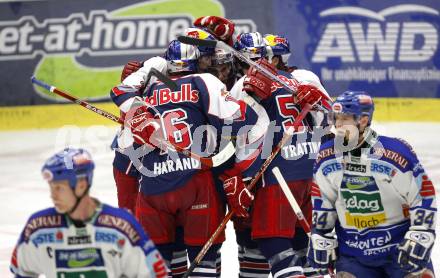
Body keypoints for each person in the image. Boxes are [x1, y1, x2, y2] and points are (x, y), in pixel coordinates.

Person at [112, 39, 264, 277]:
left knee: (157, 265)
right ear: (196, 61)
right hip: (196, 183)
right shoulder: (204, 81)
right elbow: (243, 121)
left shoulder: (145, 93)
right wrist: (232, 175)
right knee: (204, 260)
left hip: (153, 188)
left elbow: (126, 149)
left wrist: (133, 119)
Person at [229, 31, 330, 278]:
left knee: (271, 240)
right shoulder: (292, 79)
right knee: (300, 240)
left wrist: (239, 179)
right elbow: (326, 125)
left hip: (275, 174)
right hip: (309, 169)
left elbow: (233, 133)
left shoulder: (243, 84)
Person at [309, 91, 437, 277]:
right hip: (353, 255)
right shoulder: (327, 156)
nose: (337, 125)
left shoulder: (395, 154)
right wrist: (321, 233)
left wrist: (421, 233)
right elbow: (323, 199)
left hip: (400, 251)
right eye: (335, 118)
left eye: (344, 119)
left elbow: (423, 195)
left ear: (363, 120)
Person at [10, 148, 167, 278]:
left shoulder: (122, 227)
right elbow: (22, 272)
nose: (53, 195)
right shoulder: (38, 228)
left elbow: (154, 274)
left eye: (59, 188)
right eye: (51, 188)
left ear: (81, 185)